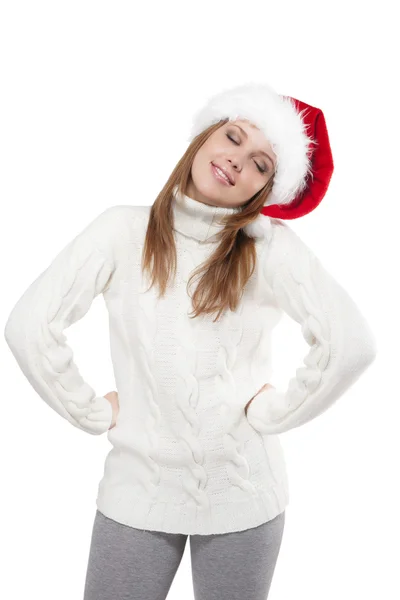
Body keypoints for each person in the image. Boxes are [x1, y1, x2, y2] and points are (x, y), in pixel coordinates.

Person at [4, 81, 377, 600]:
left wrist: (274, 416)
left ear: (265, 190)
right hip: (137, 494)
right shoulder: (120, 231)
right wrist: (86, 410)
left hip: (244, 499)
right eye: (232, 135)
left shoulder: (269, 250)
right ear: (205, 135)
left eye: (262, 164)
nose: (236, 160)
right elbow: (29, 324)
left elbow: (352, 343)